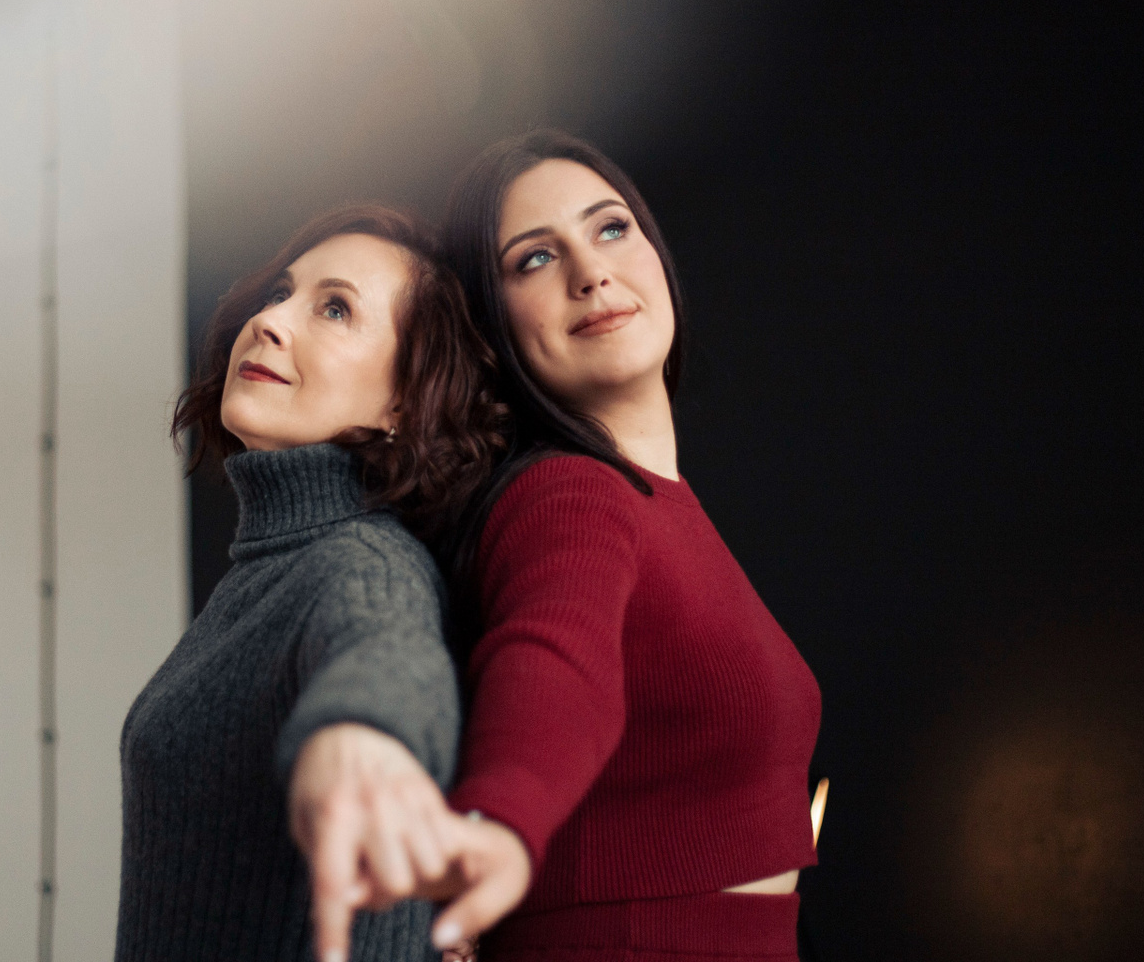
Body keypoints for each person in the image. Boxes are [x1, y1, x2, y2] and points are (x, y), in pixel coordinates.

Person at [301, 131, 822, 962]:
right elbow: (555, 656)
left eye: (611, 228)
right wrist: (500, 820)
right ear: (492, 326)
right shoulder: (570, 493)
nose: (591, 272)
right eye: (534, 259)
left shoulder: (657, 500)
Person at [115, 204, 507, 962]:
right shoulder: (269, 567)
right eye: (280, 293)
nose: (269, 322)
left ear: (403, 402)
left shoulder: (361, 560)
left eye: (335, 309)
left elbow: (385, 646)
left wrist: (368, 736)